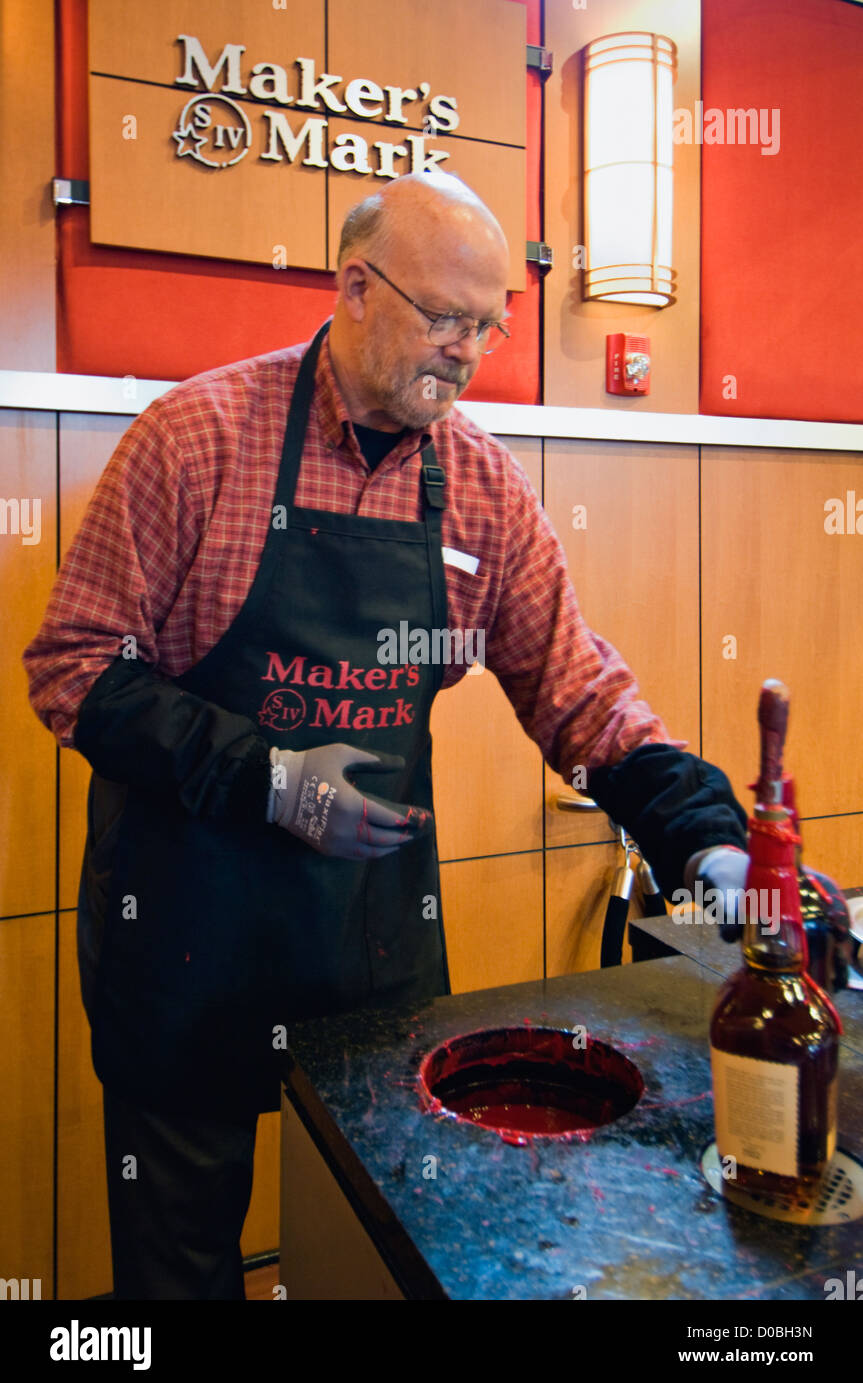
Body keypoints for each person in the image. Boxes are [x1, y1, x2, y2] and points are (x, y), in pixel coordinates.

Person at [23, 171, 751, 1300]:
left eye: (489, 325)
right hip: (182, 933)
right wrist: (271, 779)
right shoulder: (197, 439)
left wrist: (704, 839)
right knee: (176, 1276)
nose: (468, 351)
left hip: (367, 947)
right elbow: (74, 670)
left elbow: (577, 689)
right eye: (445, 319)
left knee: (366, 1248)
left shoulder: (482, 490)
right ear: (354, 287)